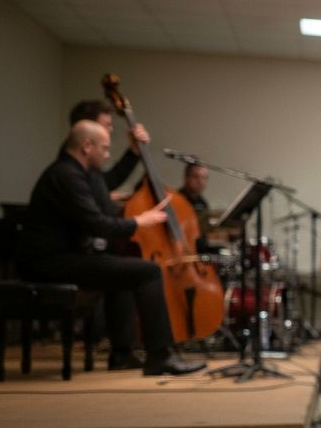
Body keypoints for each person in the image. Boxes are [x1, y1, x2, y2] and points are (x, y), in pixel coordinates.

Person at [17, 121, 205, 376]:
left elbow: (103, 194)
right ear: (87, 146)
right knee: (149, 271)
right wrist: (139, 221)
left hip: (62, 257)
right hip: (49, 262)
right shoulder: (67, 175)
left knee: (123, 271)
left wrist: (133, 155)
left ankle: (122, 354)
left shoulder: (77, 172)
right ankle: (160, 356)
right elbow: (95, 223)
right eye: (105, 148)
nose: (107, 155)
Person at [67, 99, 150, 207]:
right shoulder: (70, 174)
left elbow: (108, 182)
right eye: (107, 125)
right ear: (88, 127)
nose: (111, 130)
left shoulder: (84, 166)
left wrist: (134, 150)